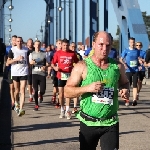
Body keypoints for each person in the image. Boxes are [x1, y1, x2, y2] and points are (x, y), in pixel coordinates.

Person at [64, 31, 129, 150]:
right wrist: (87, 88)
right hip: (88, 123)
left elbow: (124, 83)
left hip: (110, 122)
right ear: (93, 44)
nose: (105, 48)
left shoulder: (118, 67)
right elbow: (67, 91)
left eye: (108, 45)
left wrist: (125, 89)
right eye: (101, 44)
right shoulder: (82, 66)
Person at [52, 38, 79, 119]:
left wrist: (76, 70)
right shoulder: (58, 53)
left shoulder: (72, 53)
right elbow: (52, 63)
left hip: (69, 76)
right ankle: (62, 109)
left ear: (69, 45)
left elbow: (77, 62)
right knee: (61, 94)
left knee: (68, 93)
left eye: (67, 45)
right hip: (61, 75)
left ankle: (67, 110)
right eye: (64, 45)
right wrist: (55, 68)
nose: (65, 47)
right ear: (61, 45)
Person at [7, 36, 28, 116]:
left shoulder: (26, 50)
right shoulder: (12, 50)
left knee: (22, 90)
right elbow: (8, 62)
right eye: (18, 41)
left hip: (24, 72)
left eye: (21, 41)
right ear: (15, 42)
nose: (19, 43)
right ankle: (15, 102)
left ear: (22, 42)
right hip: (15, 72)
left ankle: (21, 109)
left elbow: (29, 60)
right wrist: (16, 59)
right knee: (16, 90)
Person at [120, 37, 140, 106]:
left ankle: (134, 100)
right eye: (131, 42)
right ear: (129, 43)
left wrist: (140, 64)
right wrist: (124, 64)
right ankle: (127, 100)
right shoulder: (126, 50)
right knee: (128, 86)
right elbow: (121, 59)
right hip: (128, 70)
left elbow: (139, 59)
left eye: (133, 42)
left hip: (135, 70)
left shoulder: (137, 51)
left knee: (135, 85)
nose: (132, 44)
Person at [29, 40, 46, 111]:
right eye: (36, 45)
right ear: (34, 45)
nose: (37, 46)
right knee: (35, 90)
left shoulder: (44, 54)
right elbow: (30, 62)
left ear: (40, 45)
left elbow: (48, 63)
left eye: (39, 45)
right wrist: (32, 62)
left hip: (42, 73)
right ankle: (36, 105)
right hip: (34, 73)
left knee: (43, 90)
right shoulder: (31, 54)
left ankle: (41, 94)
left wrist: (45, 67)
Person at [5, 35, 17, 110]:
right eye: (13, 40)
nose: (14, 41)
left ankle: (16, 100)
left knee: (17, 88)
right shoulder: (8, 48)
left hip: (18, 70)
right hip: (10, 70)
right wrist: (6, 63)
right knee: (11, 86)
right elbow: (6, 58)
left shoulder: (19, 49)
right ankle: (13, 101)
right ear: (12, 41)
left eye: (15, 40)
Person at [50, 39, 62, 108]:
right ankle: (54, 95)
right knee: (56, 88)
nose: (60, 45)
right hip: (55, 72)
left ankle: (58, 102)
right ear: (56, 44)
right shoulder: (53, 53)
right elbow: (51, 63)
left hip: (62, 73)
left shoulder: (64, 52)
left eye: (61, 43)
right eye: (59, 43)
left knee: (61, 88)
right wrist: (54, 67)